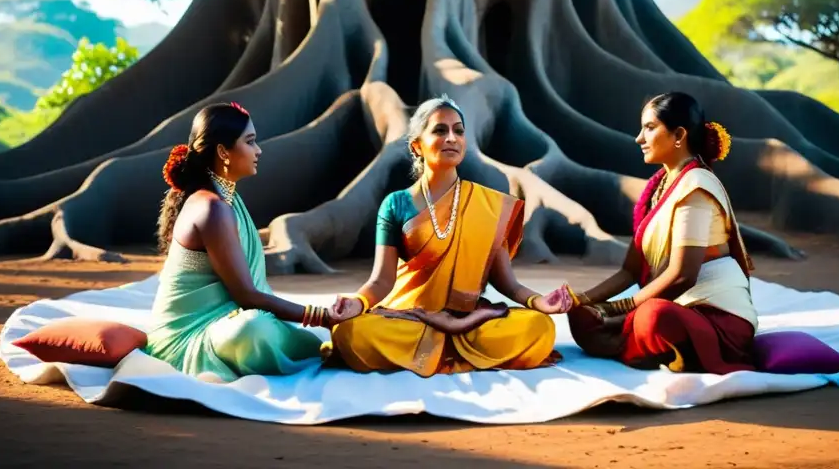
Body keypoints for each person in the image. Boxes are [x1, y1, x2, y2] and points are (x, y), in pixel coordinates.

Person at [324, 95, 574, 377]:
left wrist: (538, 302)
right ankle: (451, 351)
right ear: (416, 146)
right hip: (411, 319)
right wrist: (357, 302)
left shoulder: (486, 204)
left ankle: (439, 349)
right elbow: (381, 281)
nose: (452, 138)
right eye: (440, 131)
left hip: (469, 321)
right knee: (351, 332)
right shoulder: (397, 204)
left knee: (538, 327)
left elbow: (508, 284)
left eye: (458, 131)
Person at [567, 92, 757, 375]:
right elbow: (629, 272)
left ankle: (652, 343)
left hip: (717, 317)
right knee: (582, 317)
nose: (638, 138)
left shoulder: (696, 186)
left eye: (649, 127)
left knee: (654, 317)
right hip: (675, 308)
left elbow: (682, 276)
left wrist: (617, 310)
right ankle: (647, 344)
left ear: (678, 134)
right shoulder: (659, 188)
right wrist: (581, 300)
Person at [146, 102, 326, 382]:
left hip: (228, 324)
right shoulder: (212, 208)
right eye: (250, 142)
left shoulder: (229, 200)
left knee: (310, 344)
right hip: (187, 341)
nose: (259, 150)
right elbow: (247, 296)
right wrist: (321, 316)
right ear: (222, 152)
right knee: (255, 330)